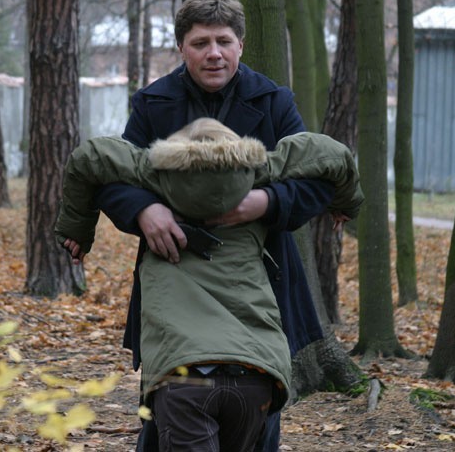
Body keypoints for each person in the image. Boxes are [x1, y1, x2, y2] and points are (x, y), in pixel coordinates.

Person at [87, 0, 338, 451]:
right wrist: (145, 210)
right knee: (168, 403)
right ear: (182, 47)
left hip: (259, 281)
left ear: (240, 44)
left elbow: (315, 181)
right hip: (176, 282)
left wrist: (262, 202)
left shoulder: (273, 102)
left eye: (223, 41)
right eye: (201, 42)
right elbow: (114, 175)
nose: (214, 53)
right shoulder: (152, 103)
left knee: (258, 414)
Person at [56, 118, 363, 451]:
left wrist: (78, 229)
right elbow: (333, 154)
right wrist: (346, 202)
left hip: (183, 375)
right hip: (256, 373)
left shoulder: (154, 175)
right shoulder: (259, 174)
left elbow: (89, 156)